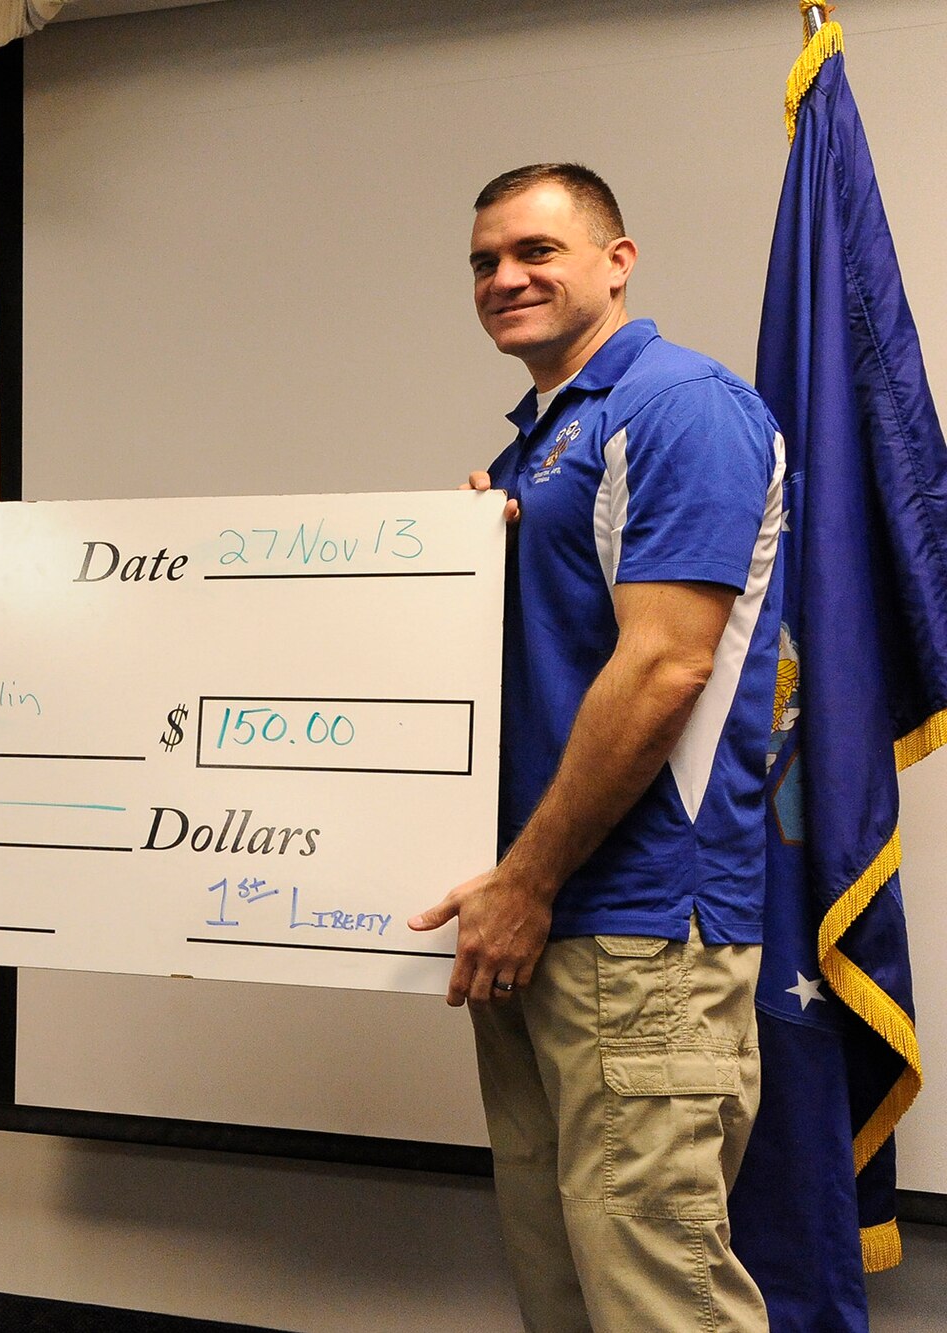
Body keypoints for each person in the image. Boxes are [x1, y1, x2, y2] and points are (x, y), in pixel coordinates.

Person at [409, 164, 783, 1330]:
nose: (504, 276)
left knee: (659, 1300)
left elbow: (664, 666)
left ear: (617, 261)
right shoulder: (538, 445)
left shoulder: (677, 406)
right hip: (535, 922)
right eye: (483, 260)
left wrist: (524, 877)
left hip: (633, 924)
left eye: (535, 250)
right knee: (565, 1292)